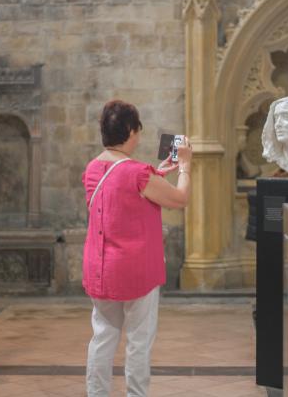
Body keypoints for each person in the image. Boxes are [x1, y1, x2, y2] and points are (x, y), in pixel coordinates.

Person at [82, 100, 192, 397]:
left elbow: (121, 195)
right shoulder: (138, 173)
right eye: (138, 130)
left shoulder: (92, 169)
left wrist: (157, 175)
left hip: (100, 270)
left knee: (102, 338)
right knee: (138, 343)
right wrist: (185, 167)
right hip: (135, 271)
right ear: (130, 131)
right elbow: (180, 199)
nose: (139, 136)